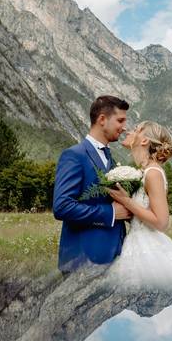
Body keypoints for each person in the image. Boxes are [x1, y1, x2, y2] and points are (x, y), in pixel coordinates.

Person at [105, 121, 172, 293]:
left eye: (136, 129)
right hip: (135, 243)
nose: (128, 130)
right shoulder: (145, 172)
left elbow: (161, 222)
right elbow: (143, 212)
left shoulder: (153, 173)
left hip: (148, 248)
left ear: (145, 141)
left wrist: (127, 202)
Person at [53, 95, 133, 272]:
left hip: (115, 260)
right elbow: (62, 206)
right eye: (120, 120)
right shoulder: (74, 155)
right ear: (102, 119)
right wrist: (110, 212)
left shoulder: (112, 160)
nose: (123, 127)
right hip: (82, 261)